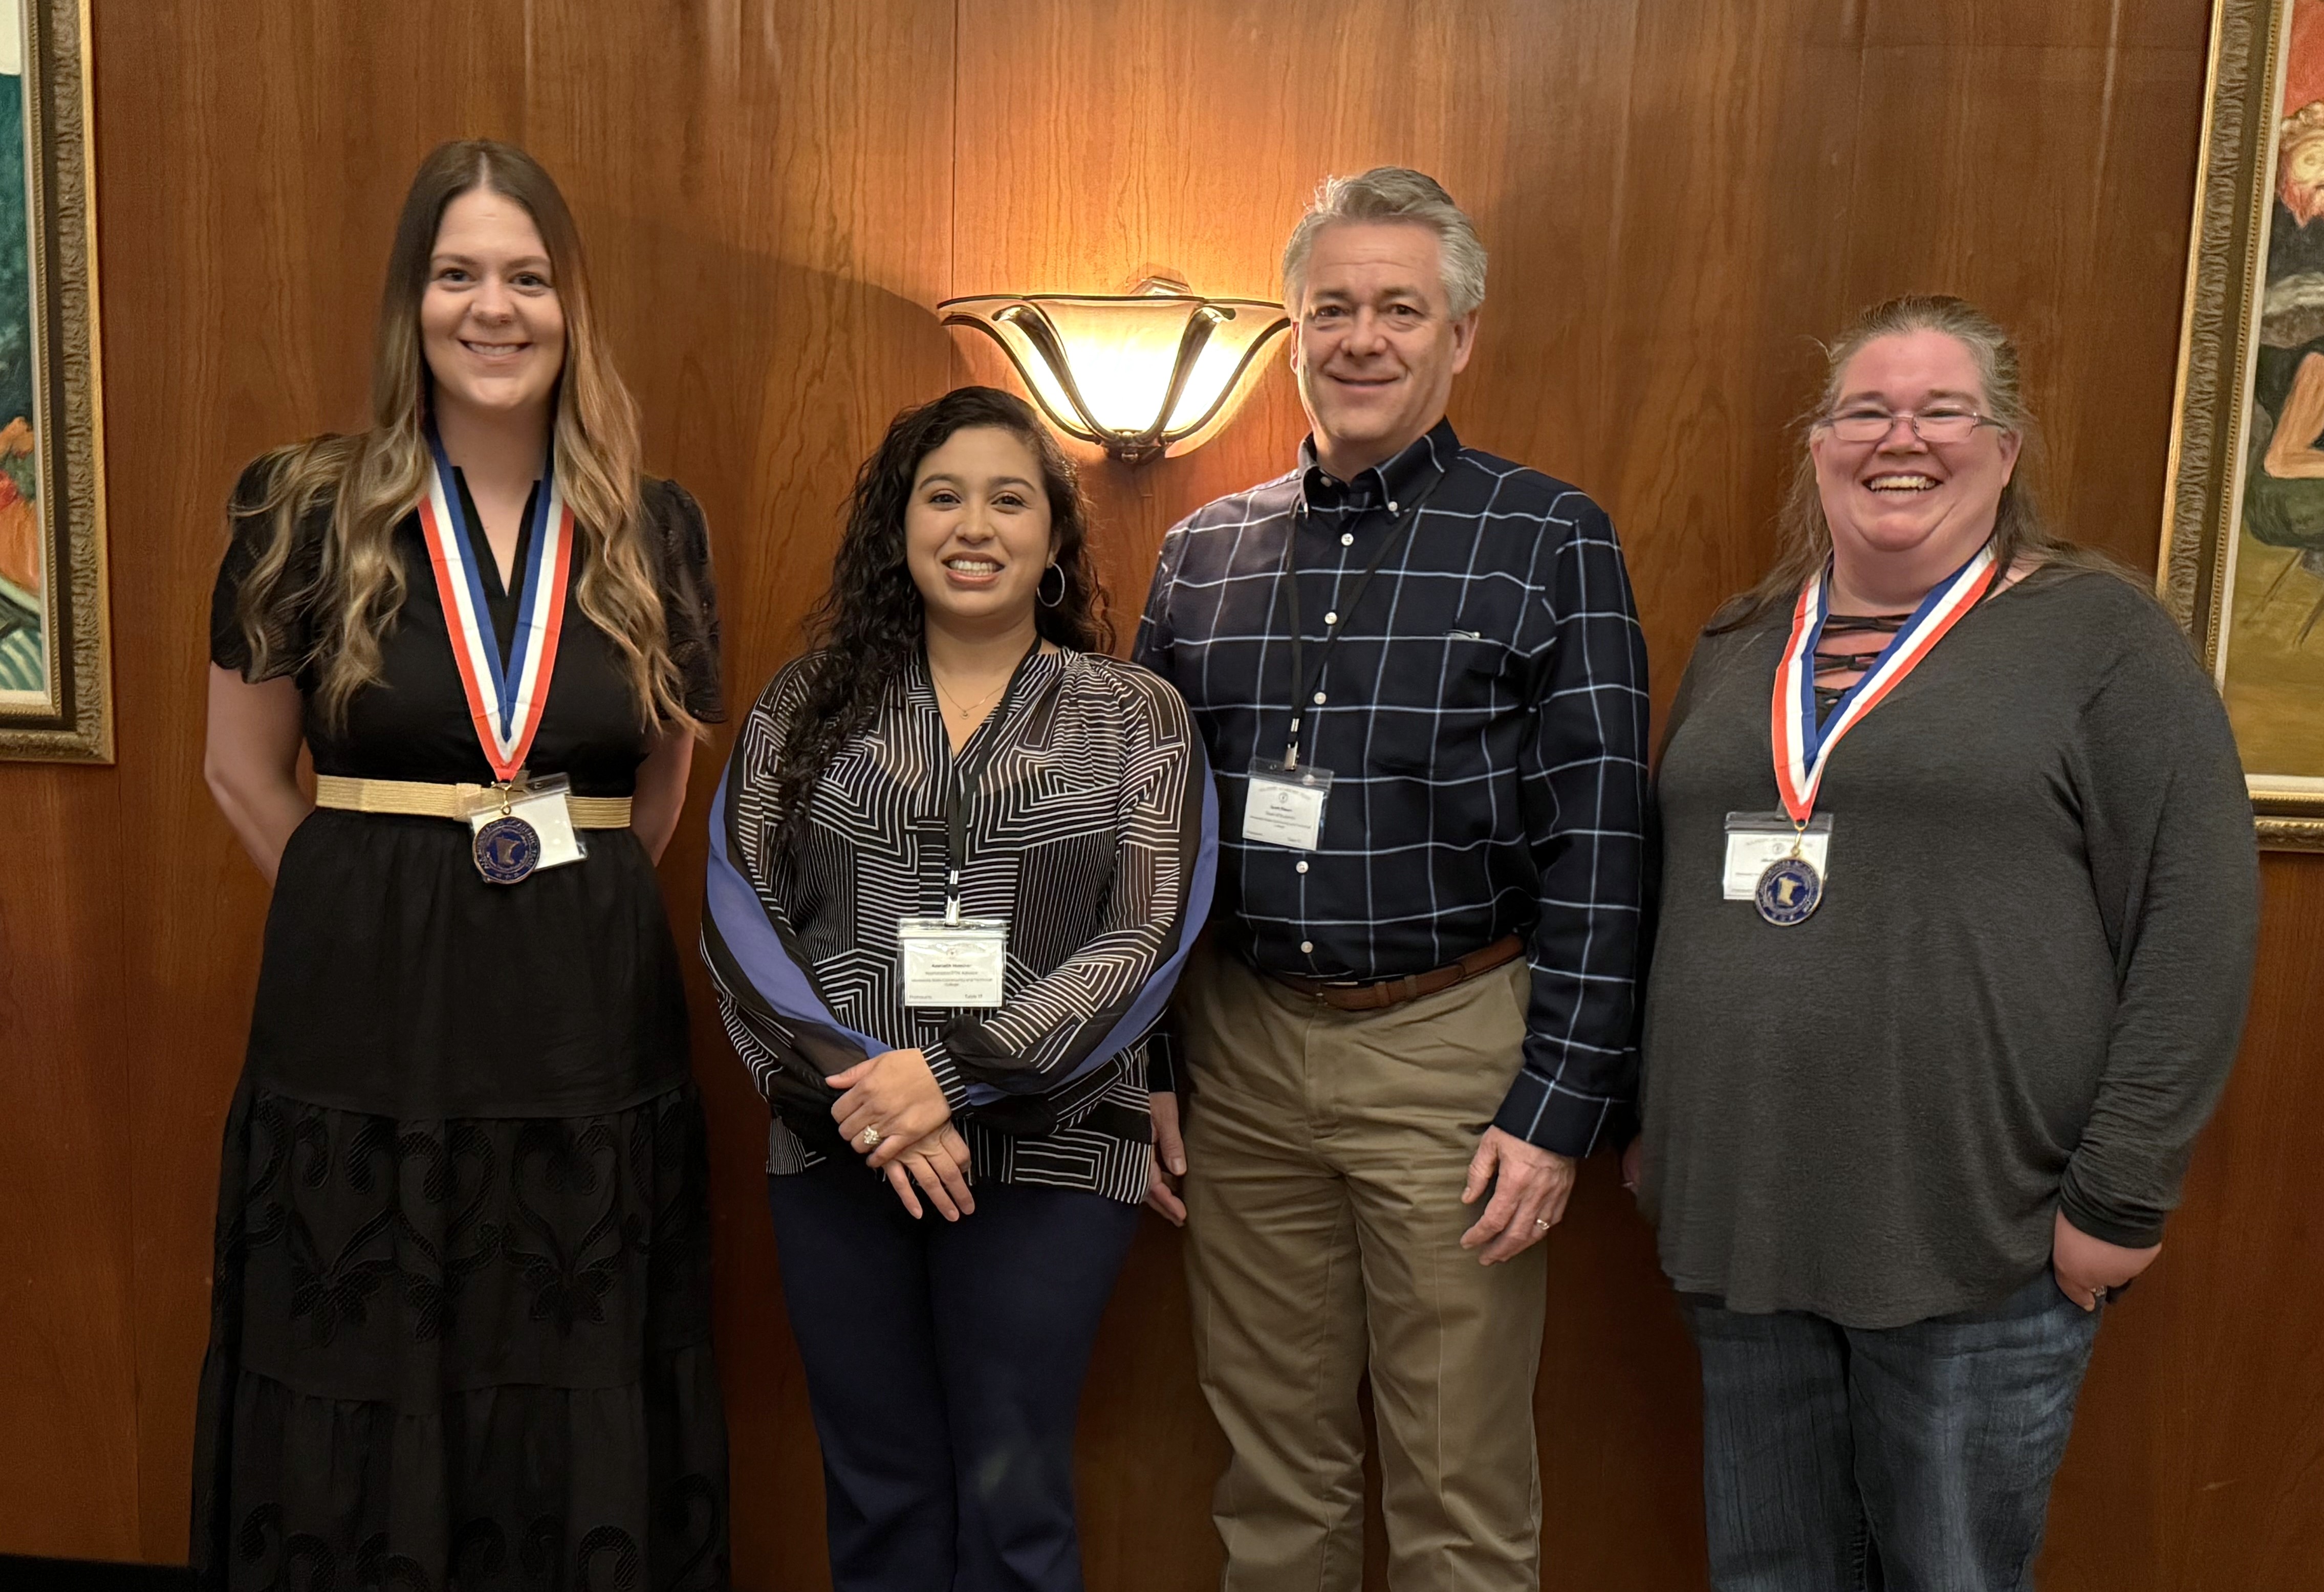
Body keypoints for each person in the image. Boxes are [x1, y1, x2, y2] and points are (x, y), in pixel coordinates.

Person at [1631, 294, 2260, 1591]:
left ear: (2007, 446)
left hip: (1983, 1231)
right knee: (1769, 1574)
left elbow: (2196, 922)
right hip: (1744, 1216)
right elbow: (1669, 890)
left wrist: (2122, 1192)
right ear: (1817, 446)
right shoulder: (1743, 641)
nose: (1896, 438)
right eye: (1863, 410)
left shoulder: (2100, 639)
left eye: (1939, 411)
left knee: (1949, 1575)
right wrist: (1654, 1117)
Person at [196, 140, 728, 1591]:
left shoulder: (651, 526)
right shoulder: (302, 505)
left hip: (582, 1029)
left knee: (566, 1345)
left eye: (527, 277)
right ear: (409, 304)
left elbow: (663, 785)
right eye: (456, 275)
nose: (493, 310)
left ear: (572, 307)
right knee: (361, 1344)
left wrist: (540, 906)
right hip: (361, 1025)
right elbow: (240, 771)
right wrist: (374, 905)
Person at [1133, 168, 1649, 1590]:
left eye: (1400, 310)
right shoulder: (1199, 555)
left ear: (1461, 336)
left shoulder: (1550, 537)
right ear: (1293, 330)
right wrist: (1150, 1070)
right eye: (1333, 308)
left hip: (1454, 1056)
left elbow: (1602, 846)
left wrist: (1556, 1113)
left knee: (1459, 1492)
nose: (1363, 339)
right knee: (1273, 1482)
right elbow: (1149, 844)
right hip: (1241, 1058)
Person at [703, 385, 1212, 1592]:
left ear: (1053, 537)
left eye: (1007, 497)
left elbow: (1148, 935)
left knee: (1013, 1489)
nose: (972, 524)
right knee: (878, 1490)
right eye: (942, 496)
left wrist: (948, 1078)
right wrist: (866, 1097)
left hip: (1052, 1155)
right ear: (899, 526)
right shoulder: (802, 704)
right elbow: (738, 915)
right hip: (837, 1148)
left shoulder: (1134, 715)